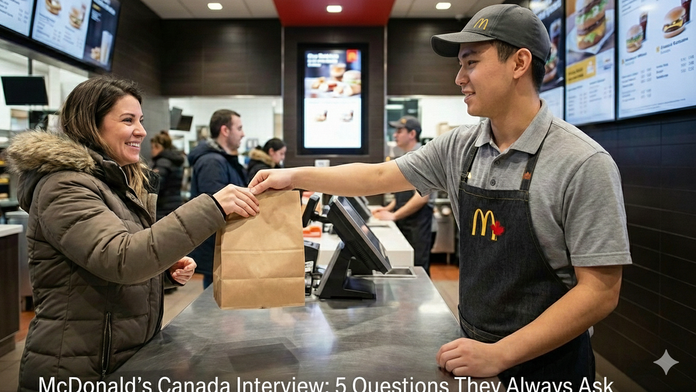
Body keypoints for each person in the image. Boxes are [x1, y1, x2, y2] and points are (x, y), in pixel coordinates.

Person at [250, 4, 630, 389]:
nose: (459, 77)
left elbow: (599, 292)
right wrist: (294, 176)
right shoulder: (460, 146)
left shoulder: (583, 163)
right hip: (474, 347)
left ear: (519, 62)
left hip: (551, 367)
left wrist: (501, 354)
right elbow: (380, 174)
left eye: (471, 63)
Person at [6, 78, 259, 391]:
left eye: (141, 120)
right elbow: (121, 259)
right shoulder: (63, 186)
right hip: (77, 367)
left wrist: (162, 273)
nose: (141, 130)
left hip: (114, 358)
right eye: (127, 120)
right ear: (90, 125)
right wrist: (211, 207)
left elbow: (104, 267)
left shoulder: (115, 183)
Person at [187, 109, 247, 288]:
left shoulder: (223, 160)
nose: (243, 134)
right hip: (218, 249)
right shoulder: (212, 162)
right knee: (219, 307)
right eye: (239, 128)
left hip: (225, 247)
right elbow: (217, 207)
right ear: (225, 130)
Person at [373, 116, 433, 274]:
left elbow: (421, 197)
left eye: (399, 131)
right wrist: (387, 208)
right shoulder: (408, 157)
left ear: (412, 134)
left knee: (418, 270)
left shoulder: (422, 157)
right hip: (406, 221)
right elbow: (403, 192)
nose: (395, 135)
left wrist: (394, 216)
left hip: (418, 224)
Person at [150, 130, 185, 220]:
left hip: (163, 208)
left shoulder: (162, 162)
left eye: (153, 148)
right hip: (175, 204)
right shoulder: (175, 160)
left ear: (158, 147)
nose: (152, 151)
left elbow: (157, 185)